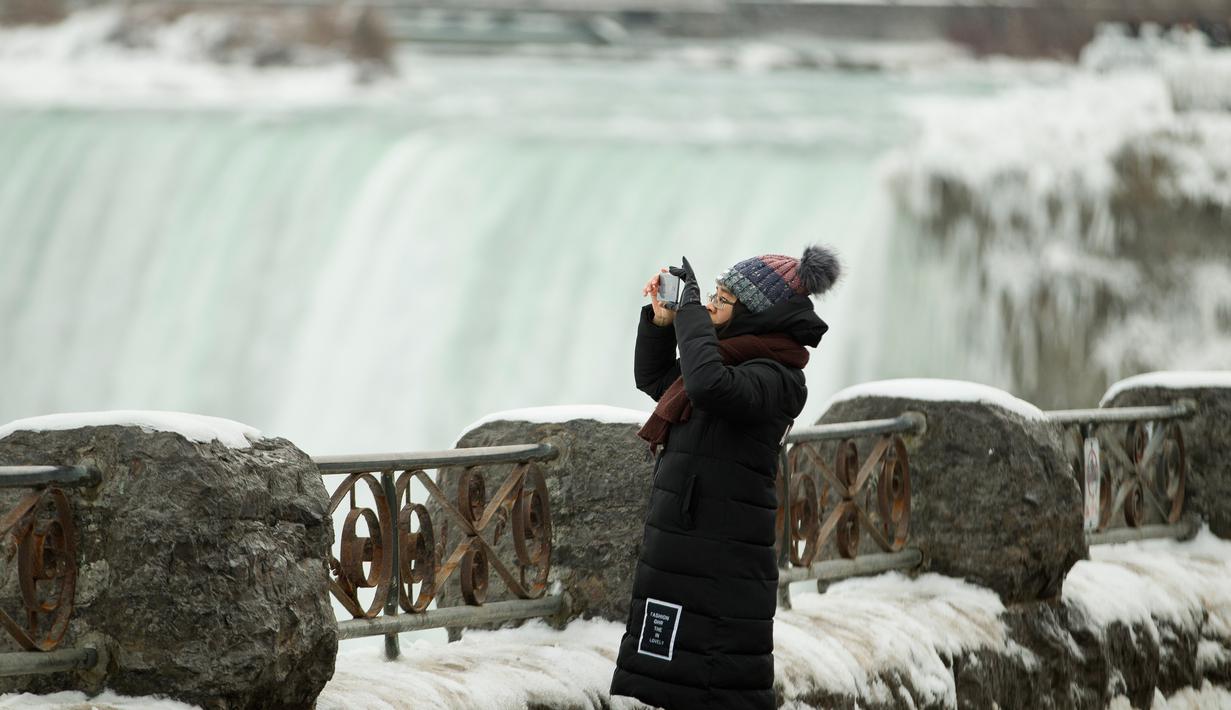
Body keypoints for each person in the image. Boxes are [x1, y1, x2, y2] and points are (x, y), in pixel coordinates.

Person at [609, 246, 840, 710]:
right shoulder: (725, 359)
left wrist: (690, 312)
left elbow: (707, 387)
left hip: (721, 557)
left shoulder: (777, 377)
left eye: (722, 297)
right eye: (711, 293)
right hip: (689, 547)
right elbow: (657, 379)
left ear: (755, 313)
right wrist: (662, 324)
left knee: (715, 680)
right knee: (665, 678)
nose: (711, 302)